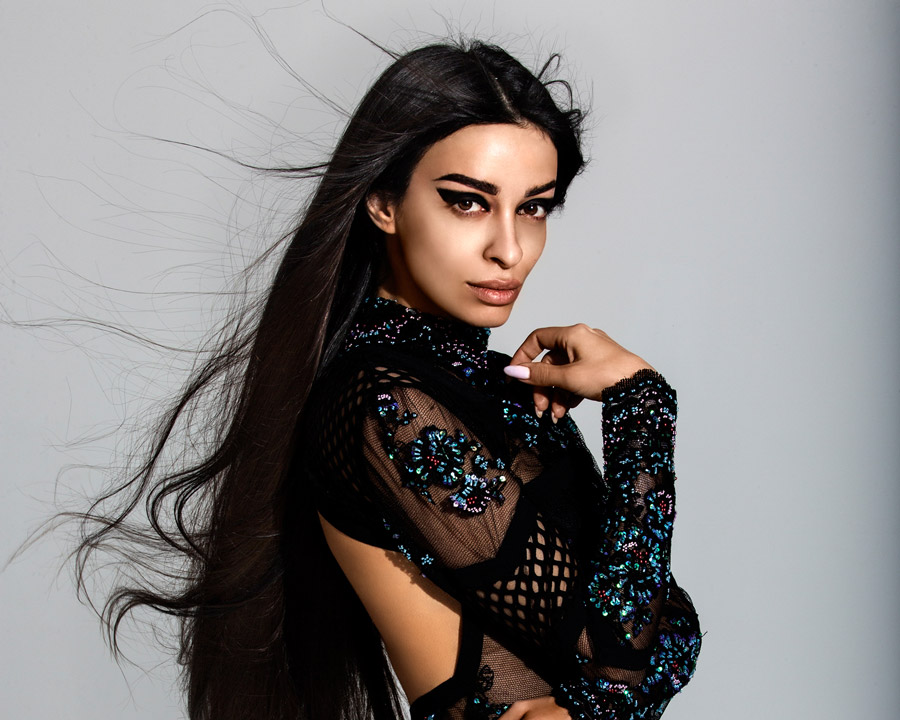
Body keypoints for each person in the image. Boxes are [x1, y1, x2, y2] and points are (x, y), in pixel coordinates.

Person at [72, 39, 701, 720]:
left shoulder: (490, 384)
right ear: (383, 202)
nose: (510, 249)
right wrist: (642, 405)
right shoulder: (385, 404)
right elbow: (619, 657)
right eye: (468, 202)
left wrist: (619, 680)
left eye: (534, 207)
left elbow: (661, 632)